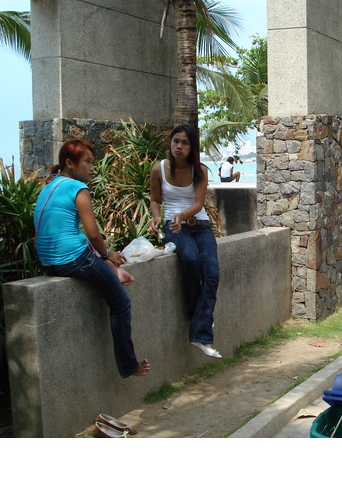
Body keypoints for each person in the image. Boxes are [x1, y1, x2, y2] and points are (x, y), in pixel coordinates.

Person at [33, 139, 150, 379]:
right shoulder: (78, 189)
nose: (92, 167)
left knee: (97, 256)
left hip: (48, 260)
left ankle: (111, 269)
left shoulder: (49, 186)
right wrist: (107, 254)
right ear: (69, 163)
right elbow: (93, 233)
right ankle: (129, 366)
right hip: (73, 259)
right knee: (121, 304)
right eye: (87, 161)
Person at [149, 124, 222, 358]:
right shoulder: (158, 169)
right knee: (190, 260)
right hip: (173, 227)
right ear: (170, 143)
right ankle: (200, 321)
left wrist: (183, 215)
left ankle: (201, 335)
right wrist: (157, 217)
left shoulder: (199, 170)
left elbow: (199, 204)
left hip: (198, 225)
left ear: (192, 147)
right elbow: (154, 200)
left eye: (185, 143)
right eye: (175, 141)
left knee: (212, 273)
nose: (179, 146)